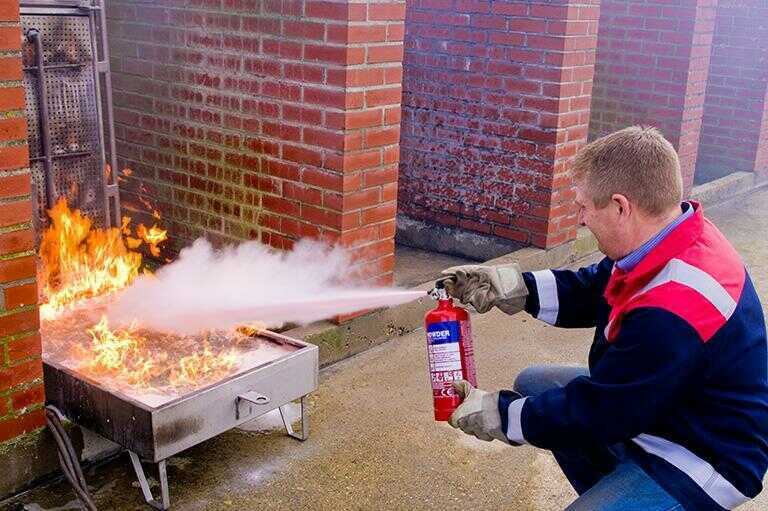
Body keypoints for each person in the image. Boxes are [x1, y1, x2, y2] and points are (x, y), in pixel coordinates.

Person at [442, 126, 768, 511]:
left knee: (561, 422)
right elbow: (595, 286)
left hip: (705, 453)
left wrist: (500, 415)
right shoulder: (668, 238)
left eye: (583, 207)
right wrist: (514, 286)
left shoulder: (675, 308)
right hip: (668, 407)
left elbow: (604, 410)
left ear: (619, 206)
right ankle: (623, 494)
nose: (580, 218)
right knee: (534, 383)